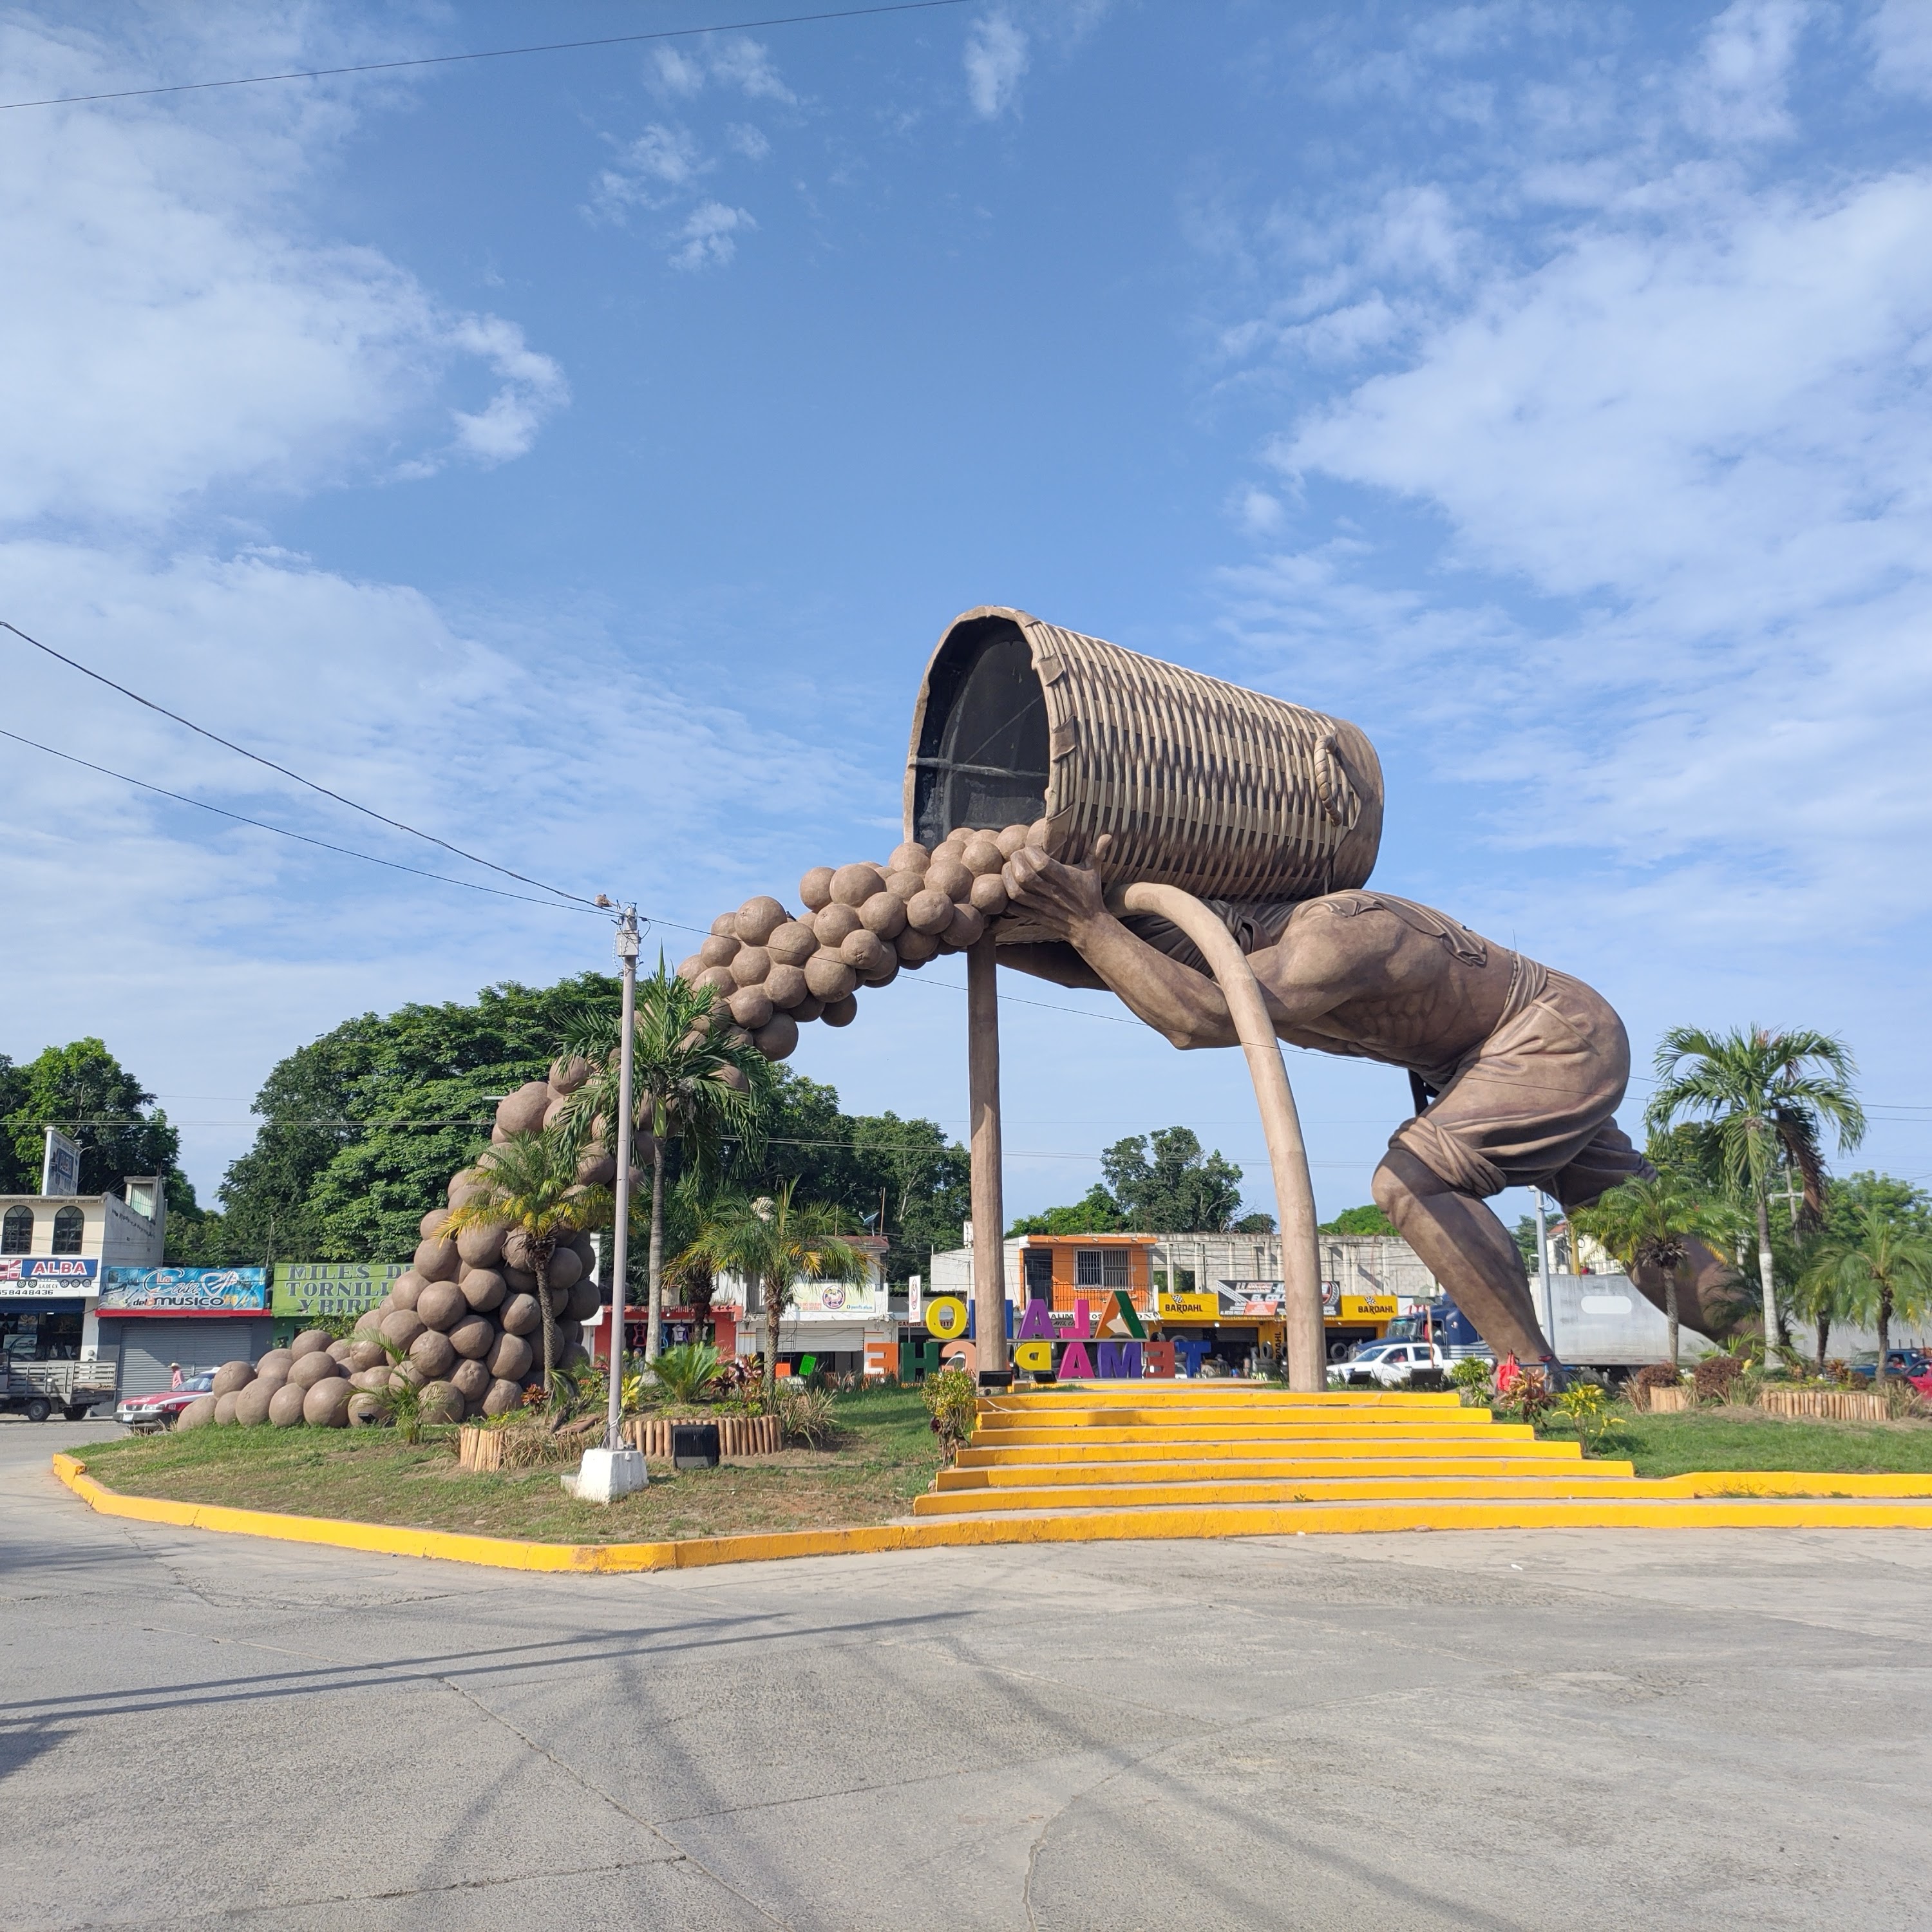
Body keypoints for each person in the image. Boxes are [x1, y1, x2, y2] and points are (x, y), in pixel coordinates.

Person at [1001, 849, 1732, 1363]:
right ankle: (1772, 1350)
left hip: (1552, 1035)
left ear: (1235, 927)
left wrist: (1087, 923)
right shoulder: (1281, 949)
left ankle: (1532, 1378)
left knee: (1410, 1182)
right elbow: (1109, 974)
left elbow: (1199, 1019)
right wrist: (987, 933)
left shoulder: (1338, 937)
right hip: (1494, 1053)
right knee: (1641, 1229)